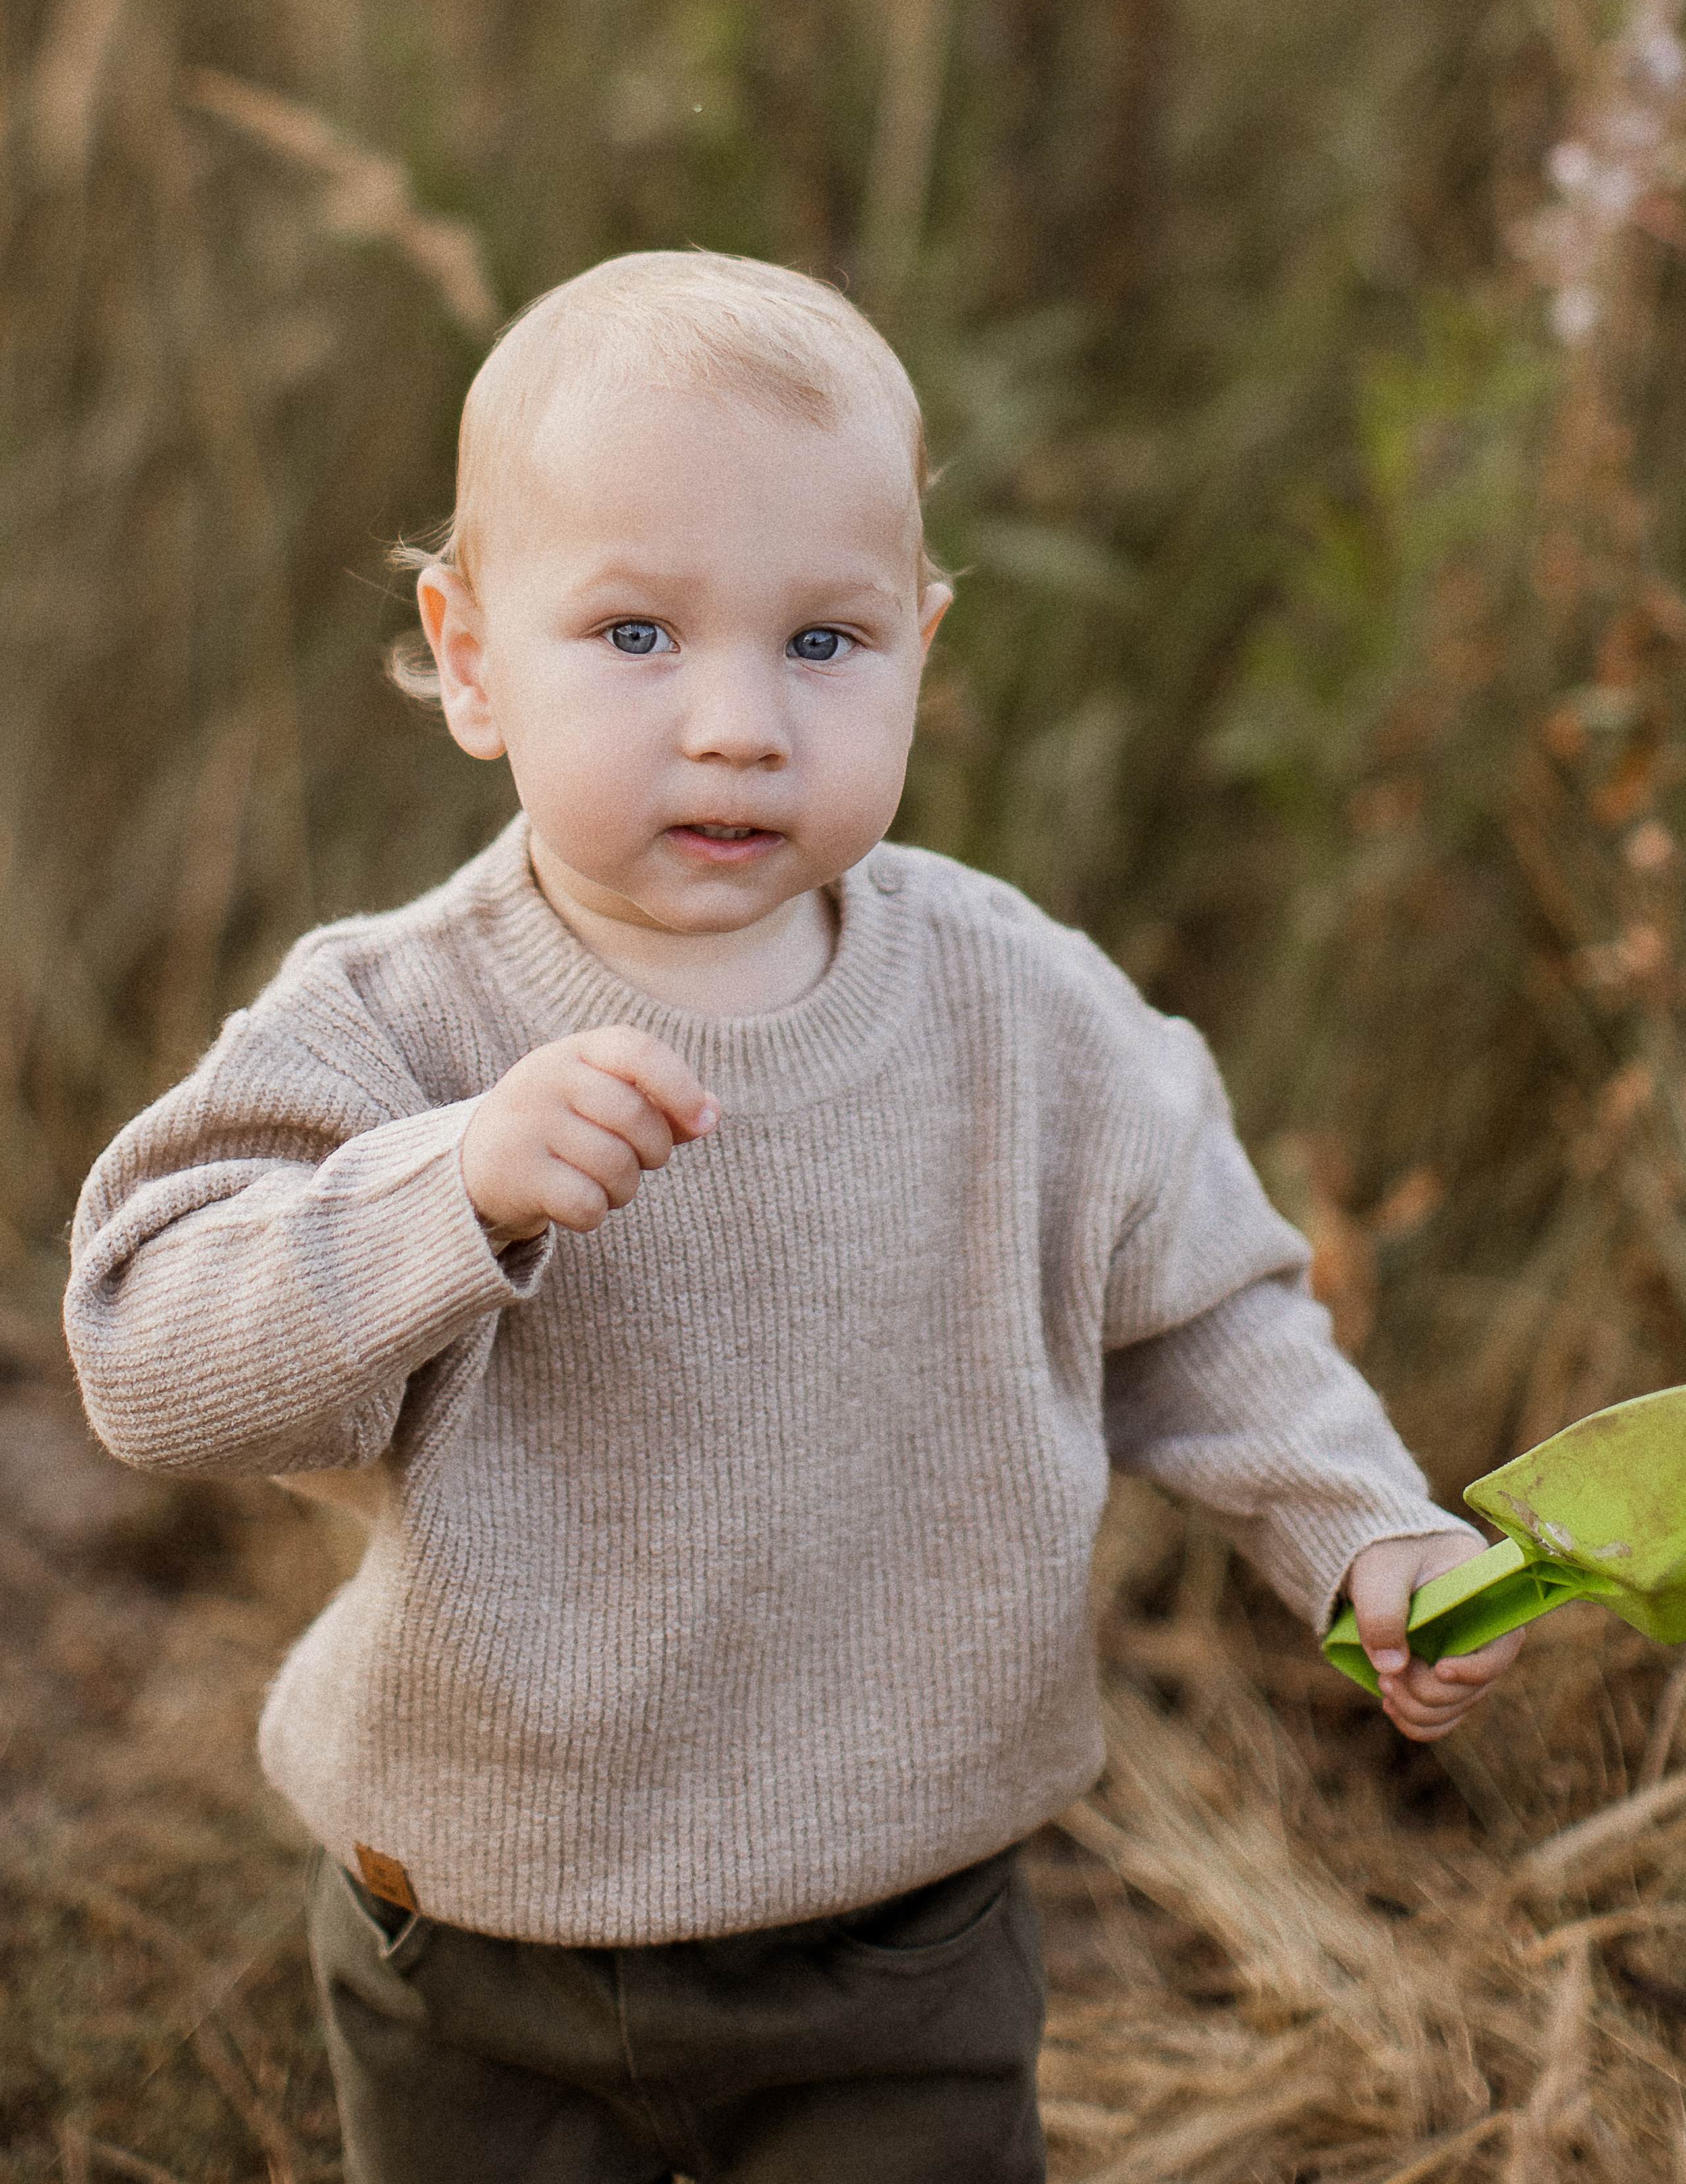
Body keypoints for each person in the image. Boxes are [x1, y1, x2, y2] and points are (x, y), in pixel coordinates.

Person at [64, 251, 1518, 2184]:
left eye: (825, 643)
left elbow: (1207, 1317)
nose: (742, 722)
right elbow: (147, 1351)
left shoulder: (1023, 1013)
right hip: (481, 1924)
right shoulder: (399, 1022)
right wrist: (449, 1189)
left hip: (899, 1933)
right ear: (476, 653)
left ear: (922, 643)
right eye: (639, 634)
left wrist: (1362, 1528)